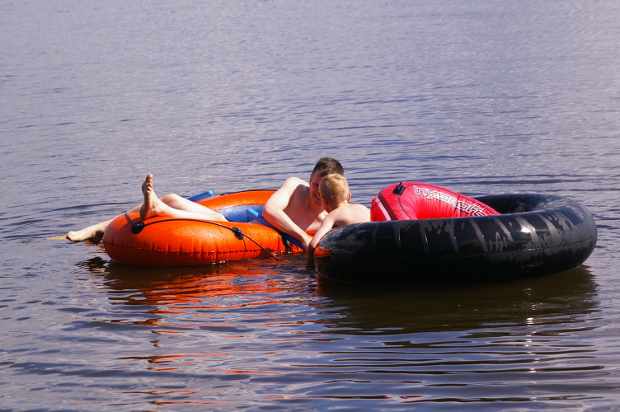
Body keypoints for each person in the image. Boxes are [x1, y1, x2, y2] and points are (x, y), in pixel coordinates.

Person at [65, 174, 226, 241]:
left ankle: (161, 209)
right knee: (172, 198)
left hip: (234, 227)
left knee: (220, 220)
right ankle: (97, 228)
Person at [262, 157, 344, 250]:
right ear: (310, 180)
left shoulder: (331, 219)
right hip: (262, 228)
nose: (319, 192)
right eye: (316, 185)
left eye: (324, 187)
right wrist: (304, 237)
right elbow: (269, 210)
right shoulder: (295, 186)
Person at [307, 173, 370, 256]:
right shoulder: (362, 208)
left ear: (324, 201)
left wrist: (310, 265)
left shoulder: (332, 216)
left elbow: (313, 244)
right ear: (349, 196)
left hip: (356, 253)